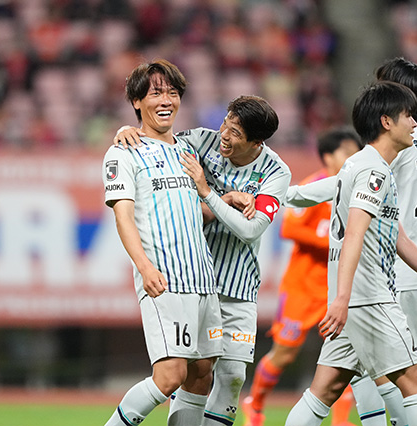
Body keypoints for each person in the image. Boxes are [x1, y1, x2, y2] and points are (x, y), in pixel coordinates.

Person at [284, 81, 417, 426]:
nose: (414, 123)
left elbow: (400, 240)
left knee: (324, 390)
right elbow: (354, 235)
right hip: (369, 299)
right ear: (387, 121)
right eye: (408, 115)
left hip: (354, 301)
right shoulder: (373, 171)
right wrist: (342, 300)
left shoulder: (364, 166)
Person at [114, 95, 292, 426]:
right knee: (192, 372)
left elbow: (251, 230)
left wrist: (208, 193)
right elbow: (157, 145)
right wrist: (128, 130)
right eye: (225, 123)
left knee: (233, 375)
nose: (224, 134)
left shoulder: (276, 171)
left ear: (257, 142)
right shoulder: (200, 141)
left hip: (238, 285)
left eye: (235, 133)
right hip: (192, 277)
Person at [101, 59, 223, 426]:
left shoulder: (188, 152)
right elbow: (123, 216)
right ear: (137, 102)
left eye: (172, 92)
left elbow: (190, 210)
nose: (166, 100)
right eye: (156, 93)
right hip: (164, 279)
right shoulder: (124, 152)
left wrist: (225, 204)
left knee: (202, 372)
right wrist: (144, 267)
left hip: (202, 278)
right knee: (170, 375)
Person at [241, 128, 362, 426]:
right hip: (302, 288)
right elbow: (289, 228)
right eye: (347, 152)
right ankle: (254, 404)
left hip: (335, 289)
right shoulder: (314, 186)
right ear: (328, 157)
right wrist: (330, 240)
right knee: (284, 354)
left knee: (345, 354)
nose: (353, 157)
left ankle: (341, 420)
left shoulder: (356, 189)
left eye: (356, 152)